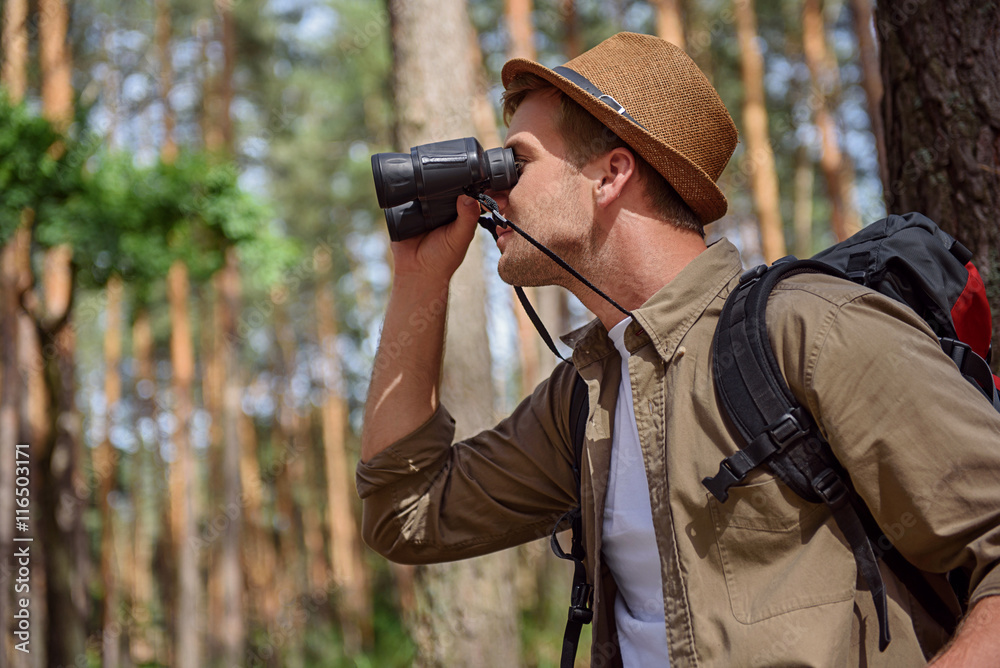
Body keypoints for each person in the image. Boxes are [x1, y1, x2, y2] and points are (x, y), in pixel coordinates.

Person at [357, 32, 1000, 666]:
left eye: (515, 163)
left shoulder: (808, 328)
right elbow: (406, 515)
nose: (492, 191)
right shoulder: (585, 399)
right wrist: (419, 281)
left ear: (612, 173)